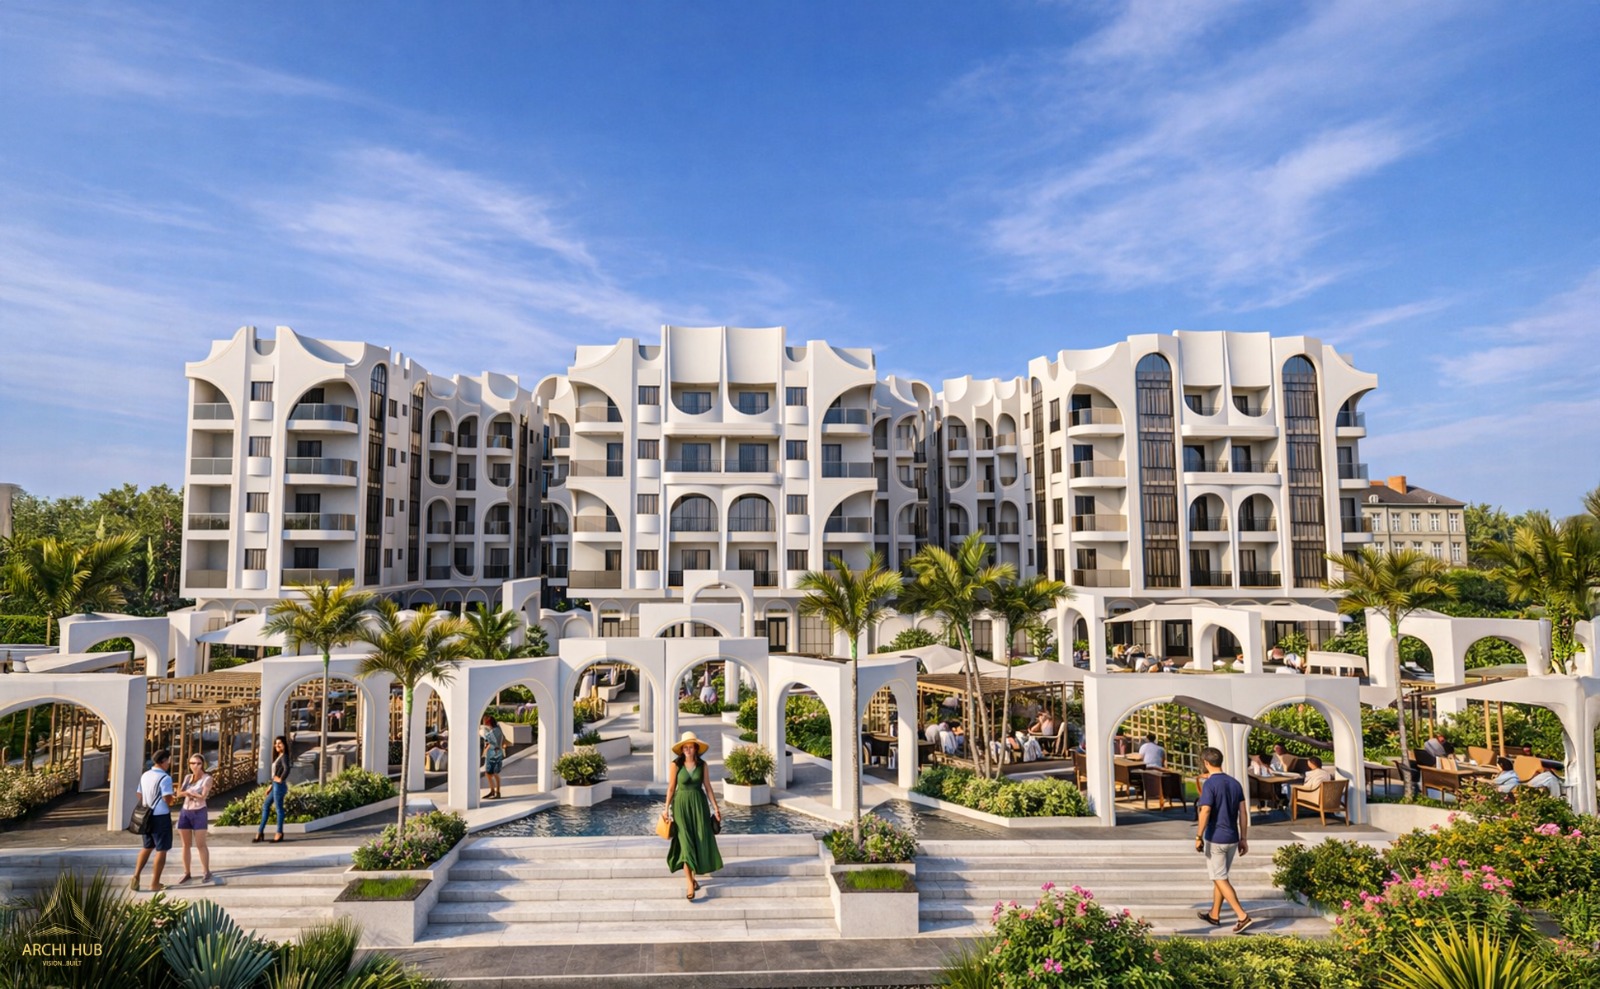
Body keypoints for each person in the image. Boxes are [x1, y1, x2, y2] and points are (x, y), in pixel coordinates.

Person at [1194, 746, 1254, 934]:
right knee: (1220, 877)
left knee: (1219, 877)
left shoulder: (1210, 784)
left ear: (1206, 763)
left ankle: (1242, 916)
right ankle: (1214, 914)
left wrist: (1198, 836)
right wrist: (1244, 838)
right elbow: (1243, 812)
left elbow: (1205, 810)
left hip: (1216, 838)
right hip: (1233, 838)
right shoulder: (1235, 783)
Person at [664, 731, 723, 901]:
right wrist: (666, 809)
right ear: (681, 749)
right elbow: (671, 788)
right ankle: (689, 883)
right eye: (685, 748)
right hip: (681, 806)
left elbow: (708, 787)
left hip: (699, 806)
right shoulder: (675, 765)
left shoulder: (703, 765)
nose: (688, 750)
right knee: (685, 843)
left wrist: (716, 807)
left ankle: (693, 878)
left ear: (696, 748)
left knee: (698, 839)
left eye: (690, 747)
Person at [131, 749, 178, 892]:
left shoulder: (145, 775)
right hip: (160, 816)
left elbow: (139, 794)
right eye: (169, 760)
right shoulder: (165, 778)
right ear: (163, 761)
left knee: (147, 846)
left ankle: (136, 876)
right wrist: (173, 799)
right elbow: (167, 798)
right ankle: (155, 883)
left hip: (146, 815)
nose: (169, 763)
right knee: (161, 849)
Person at [175, 754, 216, 886]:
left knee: (200, 844)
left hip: (199, 811)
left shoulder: (207, 778)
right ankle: (187, 872)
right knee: (185, 844)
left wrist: (190, 793)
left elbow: (203, 796)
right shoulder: (188, 777)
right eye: (193, 763)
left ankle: (206, 871)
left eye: (198, 763)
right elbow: (179, 793)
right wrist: (187, 793)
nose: (195, 766)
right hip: (186, 811)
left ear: (203, 764)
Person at [254, 735, 290, 843]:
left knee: (279, 809)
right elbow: (275, 773)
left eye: (280, 743)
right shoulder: (279, 756)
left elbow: (287, 769)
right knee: (266, 805)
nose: (277, 745)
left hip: (279, 786)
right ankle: (260, 832)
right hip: (275, 785)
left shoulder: (284, 756)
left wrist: (281, 779)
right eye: (276, 743)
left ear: (284, 745)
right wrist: (271, 785)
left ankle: (279, 833)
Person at [480, 713, 506, 800]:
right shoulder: (496, 729)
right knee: (488, 773)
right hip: (493, 753)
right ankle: (492, 791)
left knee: (494, 773)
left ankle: (497, 792)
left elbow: (489, 740)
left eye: (485, 721)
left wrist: (481, 732)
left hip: (495, 753)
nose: (484, 723)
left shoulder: (494, 731)